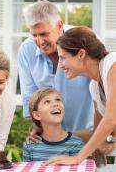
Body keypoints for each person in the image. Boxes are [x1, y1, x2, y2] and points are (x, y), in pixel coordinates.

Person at [17, 0, 93, 132]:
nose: (39, 42)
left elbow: (105, 93)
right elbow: (30, 96)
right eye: (34, 35)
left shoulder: (87, 42)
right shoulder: (26, 50)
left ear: (59, 26)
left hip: (88, 134)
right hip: (51, 135)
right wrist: (37, 126)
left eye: (44, 34)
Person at [46, 26, 116, 165]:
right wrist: (55, 136)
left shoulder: (112, 63)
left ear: (81, 54)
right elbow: (99, 132)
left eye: (63, 58)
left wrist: (77, 158)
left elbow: (110, 119)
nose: (60, 65)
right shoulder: (94, 87)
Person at [23, 88, 85, 161]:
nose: (55, 104)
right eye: (47, 102)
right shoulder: (30, 145)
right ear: (37, 115)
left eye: (58, 100)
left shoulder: (76, 144)